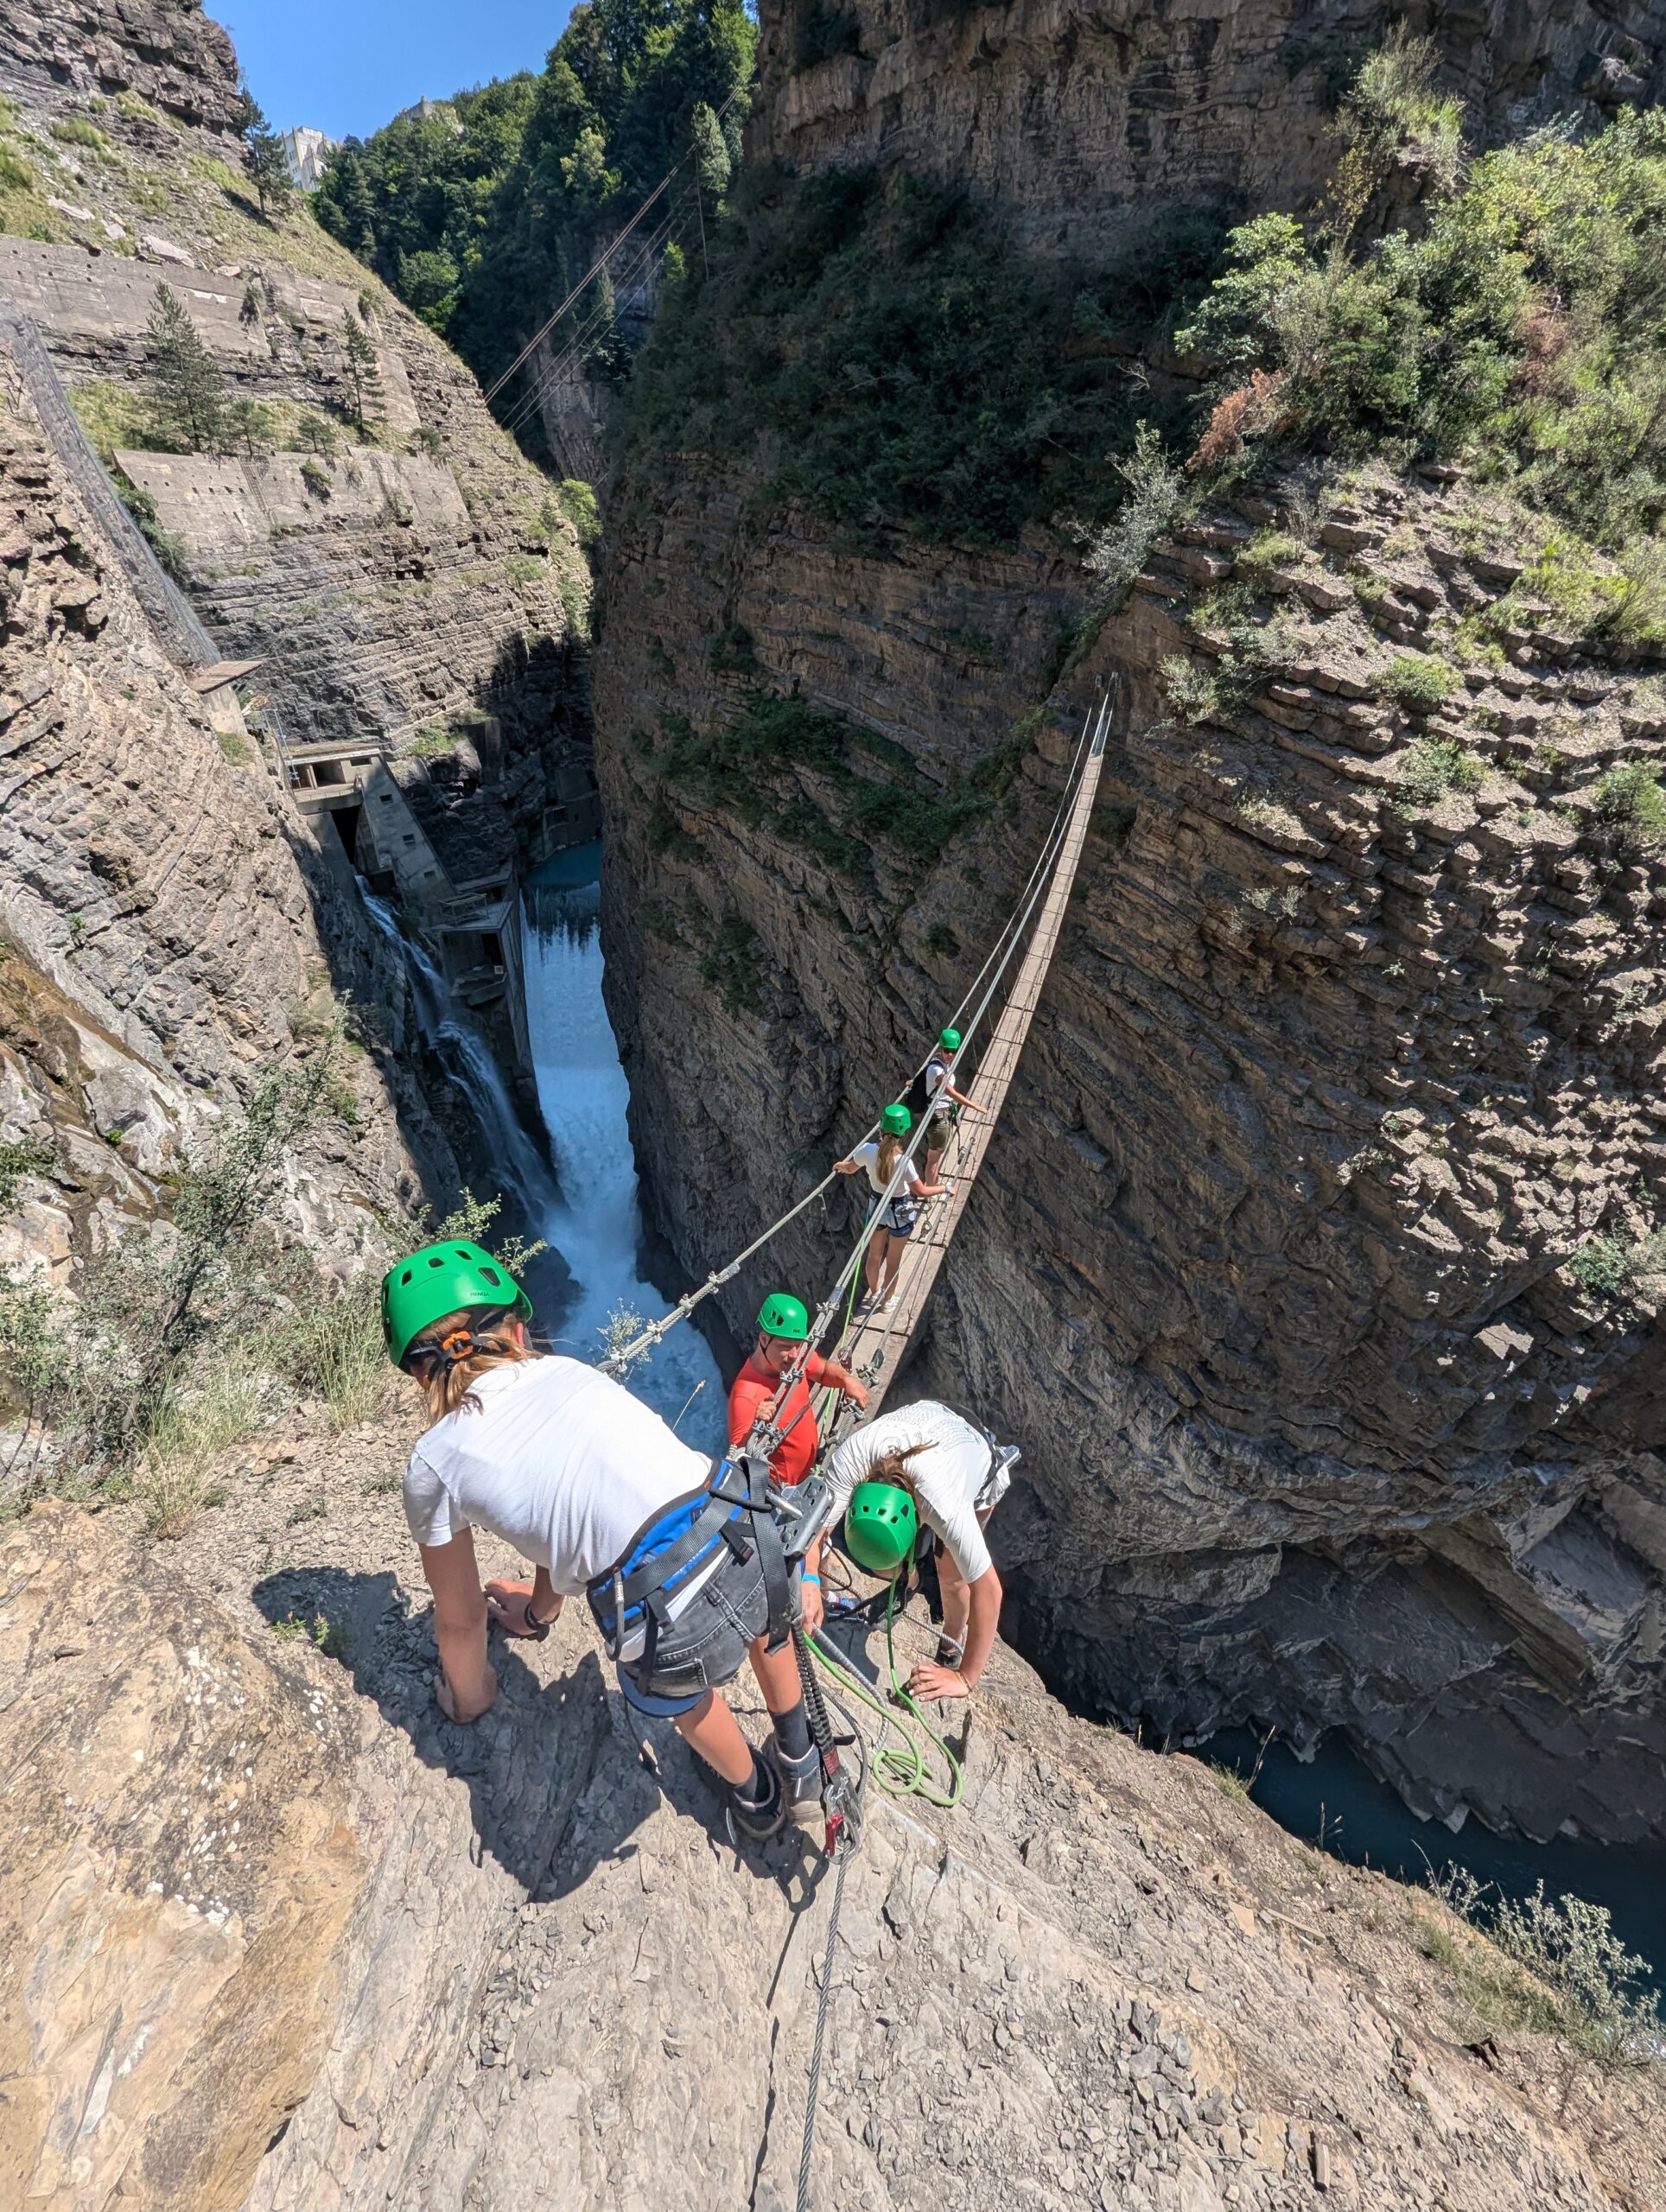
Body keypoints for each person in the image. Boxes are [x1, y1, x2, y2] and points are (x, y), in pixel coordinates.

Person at [381, 1236, 824, 1839]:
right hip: (740, 1527)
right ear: (517, 1333)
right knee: (768, 1624)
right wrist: (538, 1610)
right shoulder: (563, 1370)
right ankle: (801, 1759)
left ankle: (758, 1797)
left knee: (683, 1695)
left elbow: (460, 1620)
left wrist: (471, 1697)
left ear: (416, 1373)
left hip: (664, 1613)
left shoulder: (432, 1463)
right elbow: (586, 1497)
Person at [806, 1399, 1018, 1702]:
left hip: (977, 1460)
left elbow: (988, 1589)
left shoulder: (945, 1506)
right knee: (891, 1557)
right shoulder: (853, 1457)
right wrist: (814, 1584)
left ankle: (951, 1645)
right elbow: (819, 1532)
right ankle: (910, 1580)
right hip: (934, 1421)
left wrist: (965, 1679)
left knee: (951, 1574)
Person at [727, 1291, 867, 1486]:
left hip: (809, 1471)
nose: (795, 1355)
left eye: (799, 1345)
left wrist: (846, 1379)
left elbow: (823, 1370)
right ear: (764, 1340)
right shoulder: (747, 1396)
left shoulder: (793, 1359)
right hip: (782, 1489)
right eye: (786, 1346)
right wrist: (755, 1427)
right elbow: (737, 1458)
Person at [833, 1103, 946, 1315]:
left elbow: (849, 1169)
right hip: (900, 1209)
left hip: (876, 1205)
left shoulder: (867, 1150)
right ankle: (887, 1301)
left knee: (874, 1255)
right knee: (893, 1260)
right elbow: (921, 1191)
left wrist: (840, 1165)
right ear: (904, 1132)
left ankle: (875, 1293)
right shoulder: (904, 1161)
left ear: (882, 1127)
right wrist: (944, 1188)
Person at [906, 1027, 982, 1183]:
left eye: (954, 1051)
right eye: (947, 1051)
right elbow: (952, 1093)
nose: (950, 1055)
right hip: (939, 1116)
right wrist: (975, 1107)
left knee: (934, 1156)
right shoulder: (937, 1070)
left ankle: (932, 1185)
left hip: (936, 1113)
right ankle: (930, 1191)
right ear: (941, 1048)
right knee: (934, 1160)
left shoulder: (937, 1061)